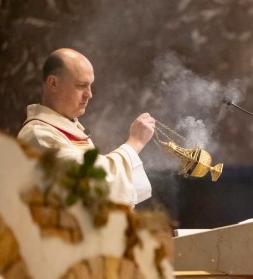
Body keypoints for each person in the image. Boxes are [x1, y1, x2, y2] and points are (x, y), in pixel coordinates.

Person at [17, 48, 155, 208]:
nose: (89, 94)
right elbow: (92, 183)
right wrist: (134, 143)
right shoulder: (38, 135)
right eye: (81, 85)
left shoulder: (67, 129)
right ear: (53, 83)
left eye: (90, 86)